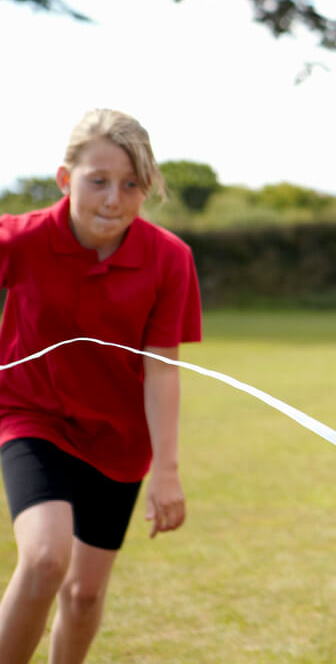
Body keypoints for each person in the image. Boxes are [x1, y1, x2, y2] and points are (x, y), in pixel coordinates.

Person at [0, 109, 202, 664]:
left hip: (119, 440)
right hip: (32, 417)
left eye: (132, 184)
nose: (114, 198)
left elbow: (162, 368)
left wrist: (167, 471)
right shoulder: (21, 241)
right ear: (66, 179)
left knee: (84, 595)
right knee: (44, 558)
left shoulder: (169, 259)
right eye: (99, 181)